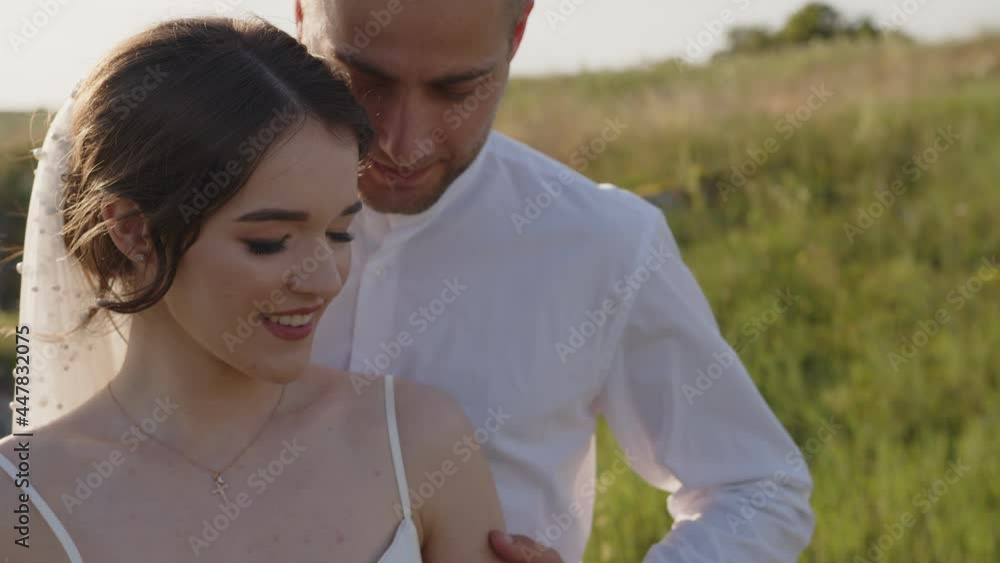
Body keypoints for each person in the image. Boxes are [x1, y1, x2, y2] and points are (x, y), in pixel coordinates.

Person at [15, 1, 816, 562]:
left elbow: (758, 483)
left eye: (455, 89)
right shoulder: (192, 196)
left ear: (521, 28)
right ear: (305, 14)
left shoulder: (602, 243)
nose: (400, 139)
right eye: (363, 77)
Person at [1, 17, 506, 562]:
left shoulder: (418, 441)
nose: (324, 278)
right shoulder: (21, 504)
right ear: (131, 229)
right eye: (269, 242)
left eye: (339, 233)